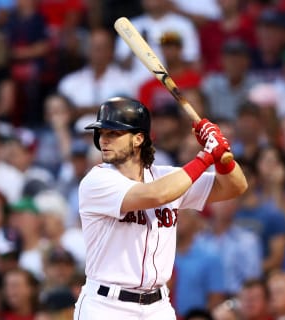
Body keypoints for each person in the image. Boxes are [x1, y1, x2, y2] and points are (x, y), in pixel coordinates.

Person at [74, 96, 247, 319]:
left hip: (157, 306)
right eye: (102, 133)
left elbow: (234, 187)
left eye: (114, 133)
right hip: (107, 306)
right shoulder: (96, 181)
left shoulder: (167, 176)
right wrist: (205, 156)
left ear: (138, 139)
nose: (104, 140)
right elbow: (157, 194)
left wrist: (222, 158)